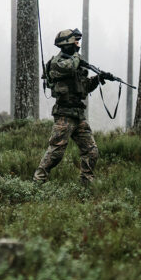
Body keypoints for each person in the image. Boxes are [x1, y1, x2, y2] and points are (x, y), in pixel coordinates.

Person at [33, 28, 106, 185]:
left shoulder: (75, 62)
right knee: (56, 152)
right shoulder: (57, 63)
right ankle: (37, 182)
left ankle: (86, 184)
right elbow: (69, 67)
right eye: (75, 41)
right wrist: (77, 58)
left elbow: (84, 87)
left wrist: (99, 78)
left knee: (91, 151)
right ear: (66, 44)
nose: (77, 45)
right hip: (64, 115)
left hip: (78, 115)